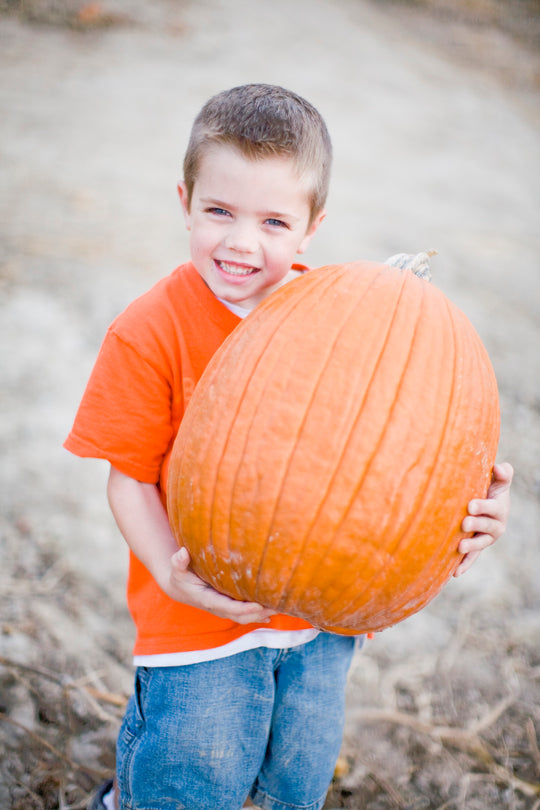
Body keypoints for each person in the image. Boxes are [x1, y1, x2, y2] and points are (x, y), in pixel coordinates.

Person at [64, 84, 513, 810]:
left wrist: (468, 518)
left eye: (273, 221)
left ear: (311, 227)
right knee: (190, 772)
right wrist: (168, 574)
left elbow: (402, 456)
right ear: (184, 201)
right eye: (219, 212)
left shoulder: (348, 320)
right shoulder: (150, 330)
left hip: (324, 626)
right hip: (200, 619)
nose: (243, 243)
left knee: (294, 778)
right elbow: (128, 479)